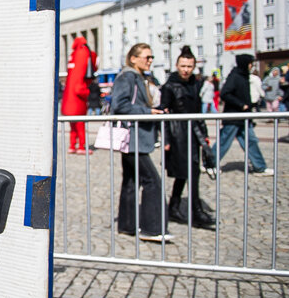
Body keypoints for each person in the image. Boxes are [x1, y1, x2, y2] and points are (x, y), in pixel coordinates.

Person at [111, 43, 173, 242]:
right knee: (152, 181)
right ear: (133, 58)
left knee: (131, 180)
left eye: (151, 57)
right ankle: (152, 228)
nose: (150, 60)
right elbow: (119, 105)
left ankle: (127, 225)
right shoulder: (127, 77)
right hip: (132, 136)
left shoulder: (141, 77)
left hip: (137, 137)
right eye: (146, 57)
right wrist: (148, 112)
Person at [158, 47, 215, 227]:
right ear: (176, 65)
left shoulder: (195, 84)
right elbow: (163, 112)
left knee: (188, 172)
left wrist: (204, 135)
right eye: (183, 66)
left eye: (189, 66)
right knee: (189, 171)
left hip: (193, 131)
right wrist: (166, 139)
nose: (186, 69)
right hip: (177, 134)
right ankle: (195, 211)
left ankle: (174, 206)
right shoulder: (169, 85)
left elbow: (198, 111)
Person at [211, 54, 274, 176]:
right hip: (234, 116)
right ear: (246, 63)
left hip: (244, 117)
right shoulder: (235, 76)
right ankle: (210, 163)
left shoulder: (243, 76)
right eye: (251, 63)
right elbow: (225, 93)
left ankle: (259, 167)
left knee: (251, 142)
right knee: (224, 141)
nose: (252, 66)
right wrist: (241, 105)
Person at [62, 36, 98, 153]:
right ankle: (81, 146)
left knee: (72, 126)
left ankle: (72, 145)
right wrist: (86, 92)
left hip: (68, 100)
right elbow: (79, 86)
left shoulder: (74, 54)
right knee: (80, 124)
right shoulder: (83, 52)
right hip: (77, 101)